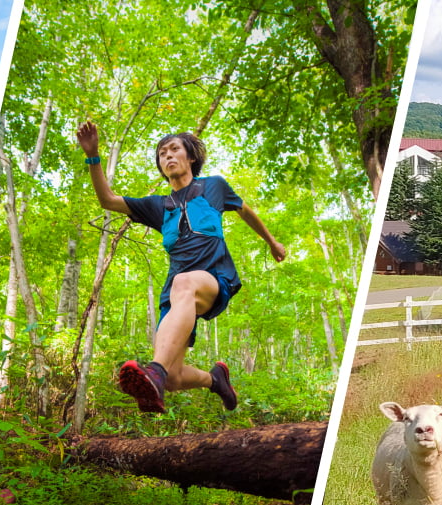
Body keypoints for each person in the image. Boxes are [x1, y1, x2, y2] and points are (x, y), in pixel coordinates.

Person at [76, 121, 286, 413]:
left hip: (214, 277)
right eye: (162, 154)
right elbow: (107, 200)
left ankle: (155, 371)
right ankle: (215, 380)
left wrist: (272, 242)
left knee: (184, 285)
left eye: (174, 149)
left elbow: (245, 211)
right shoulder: (158, 206)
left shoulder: (214, 186)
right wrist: (93, 155)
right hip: (174, 294)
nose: (168, 156)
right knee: (174, 378)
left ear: (191, 157)